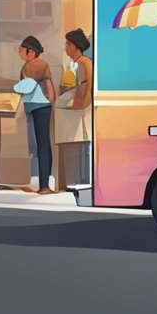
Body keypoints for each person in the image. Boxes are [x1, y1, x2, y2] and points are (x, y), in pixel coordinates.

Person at [15, 36, 57, 194]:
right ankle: (44, 183)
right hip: (39, 106)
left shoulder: (36, 64)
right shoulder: (33, 64)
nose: (19, 52)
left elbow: (28, 85)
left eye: (21, 49)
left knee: (42, 144)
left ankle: (44, 185)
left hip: (39, 106)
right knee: (42, 143)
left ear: (30, 51)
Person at [55, 29, 93, 188]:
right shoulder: (81, 62)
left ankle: (79, 180)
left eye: (68, 44)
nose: (66, 47)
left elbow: (83, 89)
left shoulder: (81, 63)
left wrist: (76, 106)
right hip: (80, 109)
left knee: (81, 147)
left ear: (77, 46)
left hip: (80, 112)